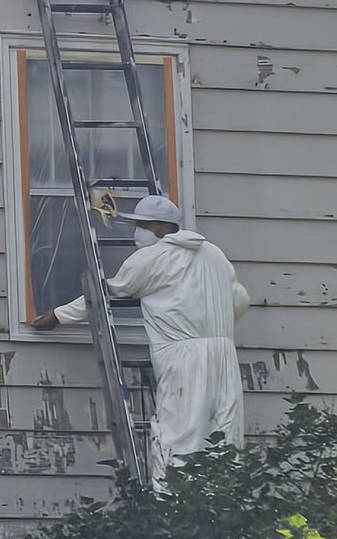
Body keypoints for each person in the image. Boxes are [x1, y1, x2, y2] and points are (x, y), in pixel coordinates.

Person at [34, 192, 250, 489]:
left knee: (179, 435)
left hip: (182, 357)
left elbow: (106, 292)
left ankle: (172, 505)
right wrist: (213, 324)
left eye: (144, 225)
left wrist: (58, 315)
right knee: (223, 435)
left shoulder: (150, 258)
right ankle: (222, 504)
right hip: (223, 352)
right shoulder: (214, 254)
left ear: (162, 227)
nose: (139, 232)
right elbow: (240, 298)